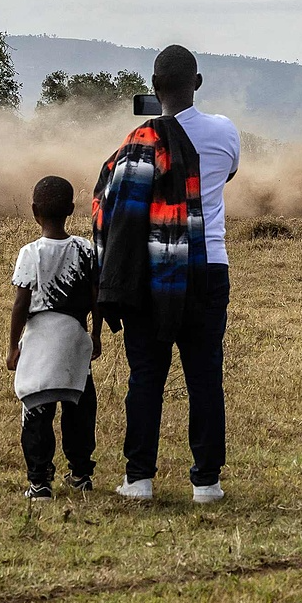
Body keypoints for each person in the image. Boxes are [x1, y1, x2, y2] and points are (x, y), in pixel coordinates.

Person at [93, 45, 240, 504]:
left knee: (145, 376)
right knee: (204, 376)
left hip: (151, 272)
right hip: (207, 267)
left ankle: (138, 480)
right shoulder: (223, 133)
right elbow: (227, 174)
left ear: (154, 89)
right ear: (196, 84)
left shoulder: (137, 140)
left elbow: (114, 204)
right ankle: (207, 483)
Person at [7, 176, 101, 500]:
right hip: (76, 340)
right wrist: (96, 336)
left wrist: (11, 346)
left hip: (38, 342)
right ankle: (80, 474)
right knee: (80, 411)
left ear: (34, 210)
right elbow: (95, 297)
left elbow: (20, 305)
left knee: (36, 412)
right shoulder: (86, 249)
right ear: (72, 209)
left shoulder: (29, 253)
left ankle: (39, 483)